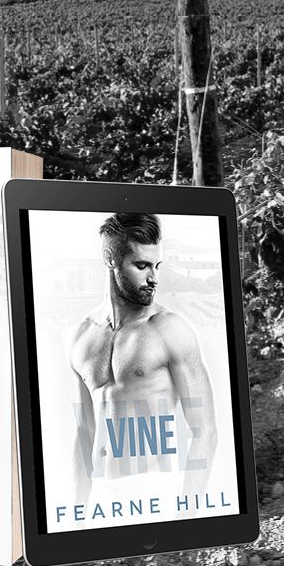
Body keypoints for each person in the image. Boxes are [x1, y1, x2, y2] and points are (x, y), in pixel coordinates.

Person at [67, 212, 217, 501]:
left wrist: (187, 513)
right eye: (142, 265)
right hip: (102, 494)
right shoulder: (80, 335)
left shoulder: (168, 328)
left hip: (155, 490)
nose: (154, 278)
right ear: (111, 260)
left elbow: (205, 431)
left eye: (157, 266)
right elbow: (84, 432)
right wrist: (77, 512)